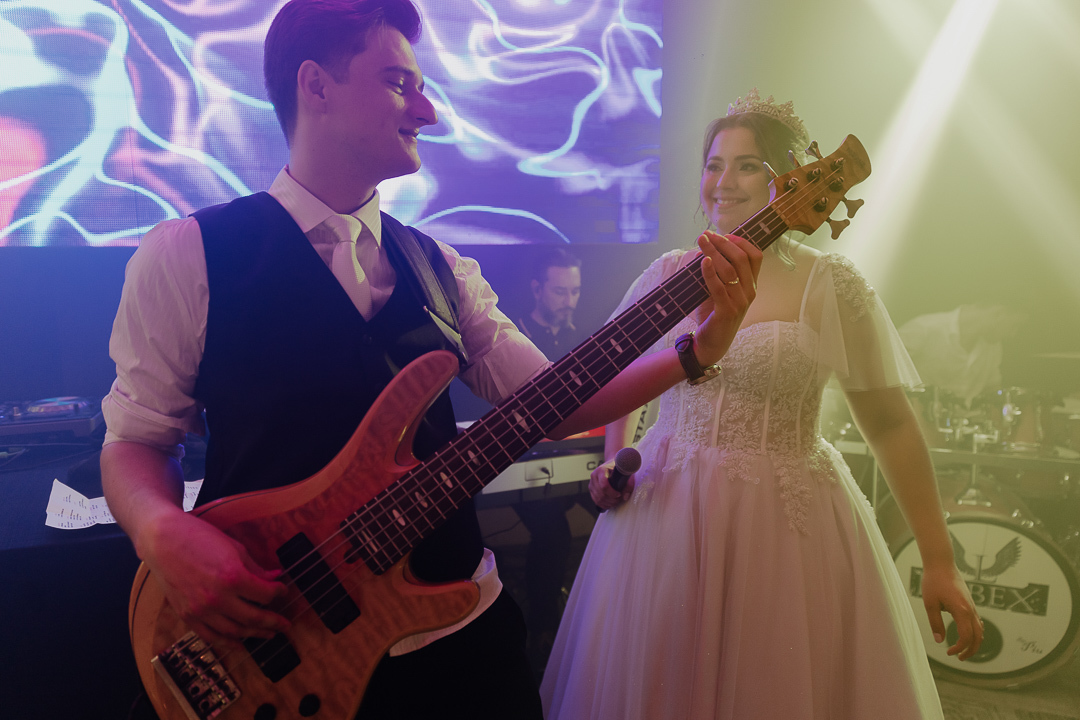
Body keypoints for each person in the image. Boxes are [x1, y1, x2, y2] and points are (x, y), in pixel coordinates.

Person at [97, 2, 761, 718]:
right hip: (286, 653)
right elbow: (137, 440)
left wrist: (697, 351)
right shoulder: (187, 253)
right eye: (398, 83)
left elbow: (554, 402)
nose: (430, 111)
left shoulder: (441, 267)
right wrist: (162, 532)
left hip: (464, 642)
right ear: (315, 85)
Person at [540, 90, 984, 720]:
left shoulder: (831, 284)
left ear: (789, 178)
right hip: (664, 510)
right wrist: (617, 461)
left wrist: (940, 562)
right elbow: (623, 382)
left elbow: (889, 424)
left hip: (784, 520)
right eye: (714, 163)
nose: (725, 181)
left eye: (748, 165)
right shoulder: (668, 272)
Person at [511, 247, 589, 671]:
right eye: (561, 291)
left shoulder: (584, 335)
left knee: (626, 510)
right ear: (537, 289)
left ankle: (599, 619)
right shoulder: (514, 339)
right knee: (554, 534)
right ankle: (543, 630)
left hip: (582, 456)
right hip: (526, 464)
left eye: (575, 291)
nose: (569, 300)